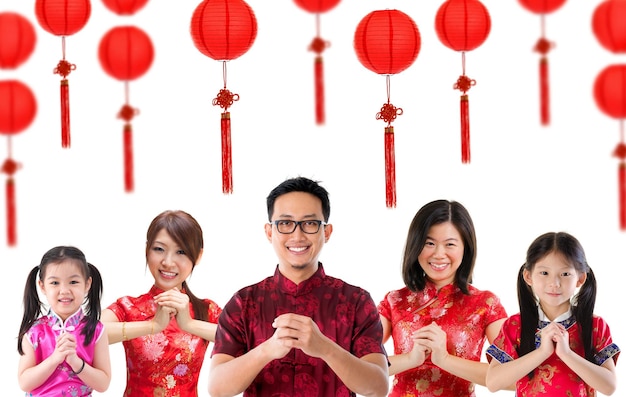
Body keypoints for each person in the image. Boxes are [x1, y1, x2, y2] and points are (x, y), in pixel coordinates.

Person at [208, 176, 389, 397]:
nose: (297, 235)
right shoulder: (244, 302)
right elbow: (217, 388)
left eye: (310, 224)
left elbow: (378, 387)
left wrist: (325, 348)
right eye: (285, 223)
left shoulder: (356, 301)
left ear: (327, 232)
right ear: (269, 232)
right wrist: (267, 349)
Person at [378, 199, 508, 397]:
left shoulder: (486, 304)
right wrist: (410, 359)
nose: (439, 254)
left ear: (466, 248)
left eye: (450, 244)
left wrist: (445, 359)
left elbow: (513, 376)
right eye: (429, 243)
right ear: (416, 245)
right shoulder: (394, 301)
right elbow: (359, 365)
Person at [101, 210, 222, 397]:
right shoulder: (128, 307)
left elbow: (246, 340)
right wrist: (152, 326)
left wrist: (189, 324)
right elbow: (83, 333)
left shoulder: (206, 310)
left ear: (197, 256)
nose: (168, 262)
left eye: (181, 252)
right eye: (159, 249)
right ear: (146, 250)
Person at [485, 231, 620, 396]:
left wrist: (567, 354)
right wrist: (542, 352)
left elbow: (609, 386)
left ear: (580, 279)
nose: (554, 283)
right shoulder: (515, 325)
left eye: (565, 274)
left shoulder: (594, 325)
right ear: (528, 276)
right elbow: (493, 382)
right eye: (544, 273)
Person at [17, 245, 111, 396]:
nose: (65, 290)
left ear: (87, 284)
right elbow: (24, 382)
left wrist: (75, 361)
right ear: (42, 286)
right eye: (55, 283)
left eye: (73, 282)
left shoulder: (96, 330)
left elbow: (103, 384)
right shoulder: (34, 331)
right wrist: (55, 358)